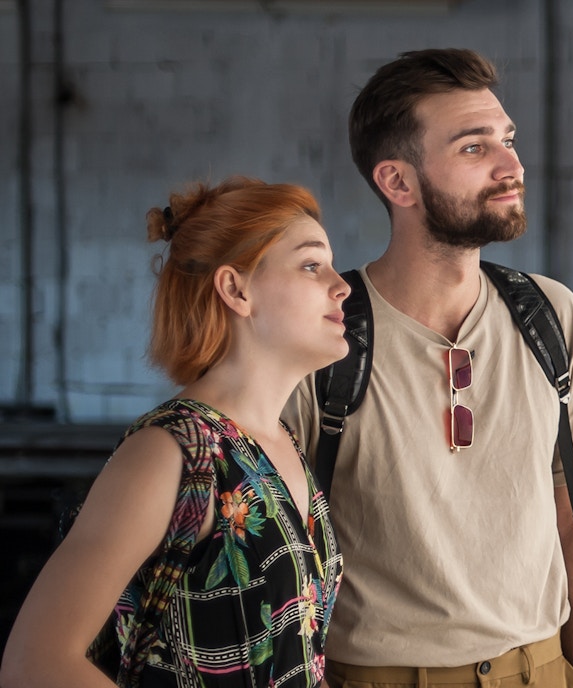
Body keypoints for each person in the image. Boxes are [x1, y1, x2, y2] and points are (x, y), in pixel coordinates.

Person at [282, 49, 573, 688]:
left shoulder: (550, 314)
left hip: (542, 670)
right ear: (398, 183)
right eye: (474, 148)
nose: (512, 165)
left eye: (508, 139)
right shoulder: (324, 336)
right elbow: (273, 546)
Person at [0, 177, 351, 688]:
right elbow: (37, 663)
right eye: (311, 265)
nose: (341, 285)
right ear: (236, 289)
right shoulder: (173, 452)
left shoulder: (283, 443)